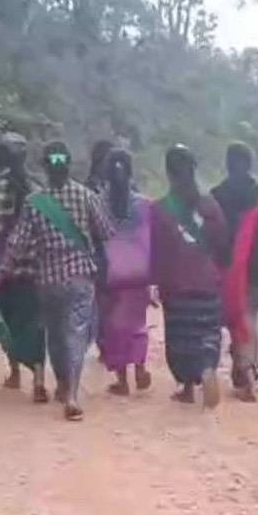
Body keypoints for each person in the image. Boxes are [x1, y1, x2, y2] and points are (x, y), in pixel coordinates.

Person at [0, 142, 112, 422]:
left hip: (48, 280)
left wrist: (0, 272)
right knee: (75, 335)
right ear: (68, 165)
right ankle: (71, 394)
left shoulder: (34, 202)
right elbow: (106, 232)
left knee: (56, 336)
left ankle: (62, 384)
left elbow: (17, 243)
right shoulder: (86, 196)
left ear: (45, 168)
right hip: (80, 278)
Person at [151, 144, 230, 408]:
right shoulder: (210, 205)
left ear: (168, 173)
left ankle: (186, 387)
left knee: (180, 338)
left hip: (176, 285)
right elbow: (222, 241)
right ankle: (207, 367)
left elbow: (156, 251)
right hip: (207, 282)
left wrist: (154, 282)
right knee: (207, 331)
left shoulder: (160, 209)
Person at [210, 142, 258, 402]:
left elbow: (208, 233)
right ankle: (247, 369)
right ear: (250, 165)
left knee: (230, 318)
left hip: (226, 268)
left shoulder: (216, 196)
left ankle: (241, 368)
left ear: (227, 164)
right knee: (248, 316)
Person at [0, 134, 49, 402]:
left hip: (1, 270)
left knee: (7, 322)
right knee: (35, 324)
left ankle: (14, 372)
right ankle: (39, 378)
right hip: (35, 269)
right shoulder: (38, 188)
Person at [95, 148, 155, 395]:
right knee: (137, 322)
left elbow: (93, 239)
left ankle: (122, 381)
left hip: (109, 274)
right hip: (139, 272)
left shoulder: (97, 204)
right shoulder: (146, 205)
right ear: (131, 172)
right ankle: (140, 365)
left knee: (113, 327)